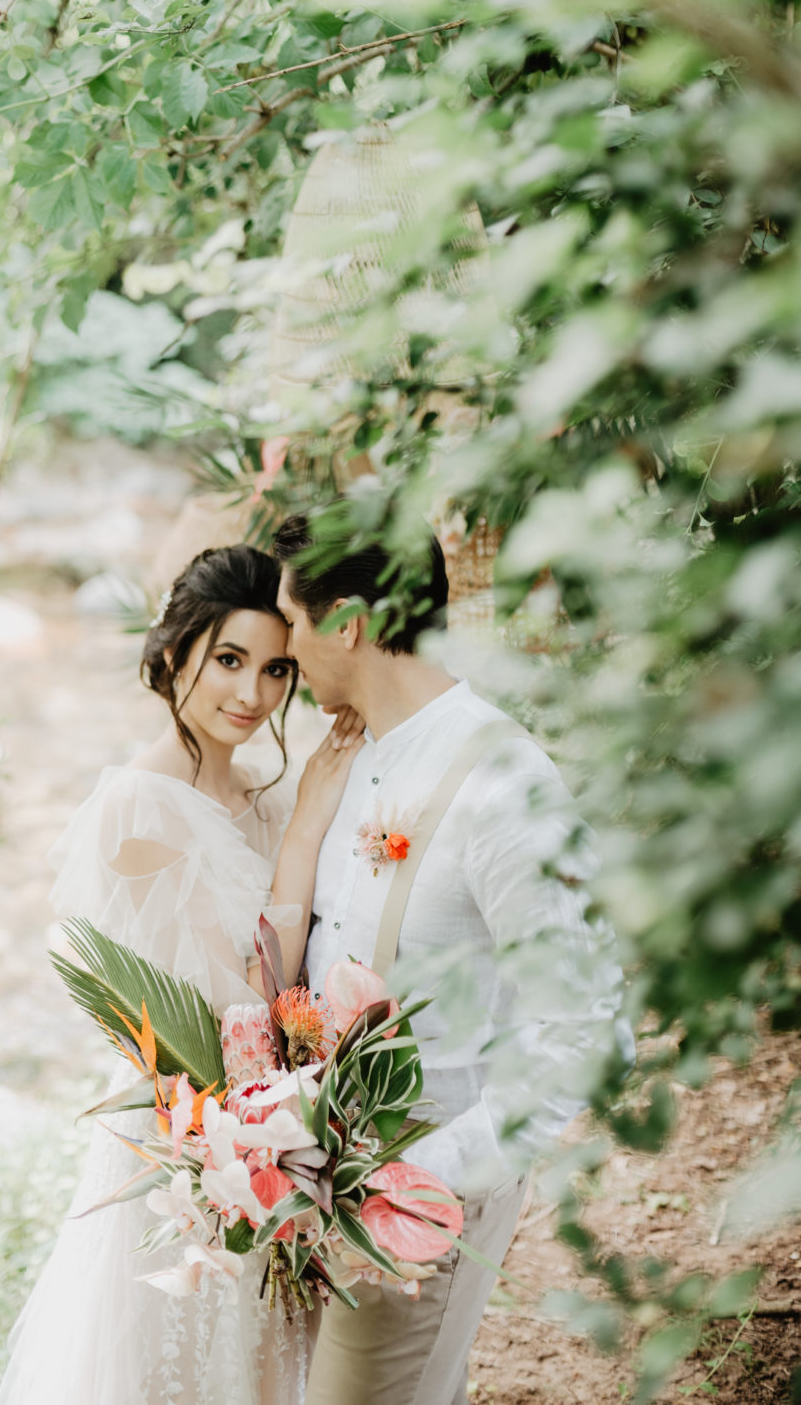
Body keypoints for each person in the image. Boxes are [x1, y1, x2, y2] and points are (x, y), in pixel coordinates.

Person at [269, 511, 627, 1405]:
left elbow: (585, 1027)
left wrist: (431, 1176)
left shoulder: (505, 787)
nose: (286, 646)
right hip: (328, 1177)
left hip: (424, 1187)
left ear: (347, 622)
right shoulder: (350, 756)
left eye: (293, 621)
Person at [0, 543, 362, 1405]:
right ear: (172, 653)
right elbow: (243, 999)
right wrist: (305, 832)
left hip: (271, 1143)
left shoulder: (263, 799)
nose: (252, 694)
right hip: (184, 1154)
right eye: (228, 659)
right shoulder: (137, 807)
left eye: (276, 668)